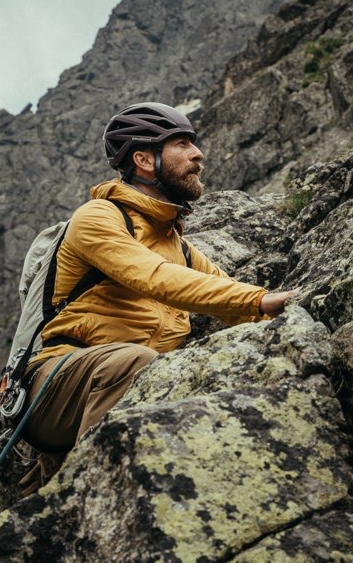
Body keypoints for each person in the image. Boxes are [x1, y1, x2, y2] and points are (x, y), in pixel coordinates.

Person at [17, 102, 296, 495]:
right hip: (54, 385)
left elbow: (232, 303)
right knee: (137, 362)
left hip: (122, 386)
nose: (198, 154)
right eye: (182, 144)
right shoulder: (98, 217)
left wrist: (288, 323)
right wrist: (261, 299)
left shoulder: (178, 247)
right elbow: (154, 277)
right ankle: (98, 496)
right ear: (144, 159)